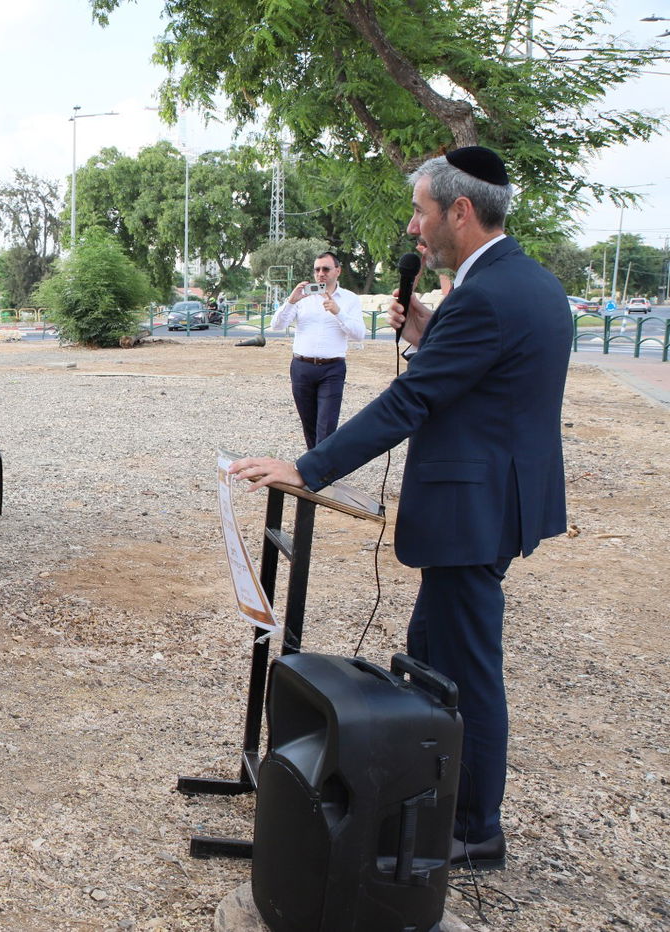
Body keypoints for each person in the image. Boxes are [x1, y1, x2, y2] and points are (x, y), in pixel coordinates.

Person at [230, 146, 572, 870]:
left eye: (421, 211)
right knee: (435, 654)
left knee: (467, 671)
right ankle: (429, 802)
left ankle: (474, 828)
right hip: (496, 502)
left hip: (473, 510)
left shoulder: (483, 295)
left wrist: (310, 466)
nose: (414, 228)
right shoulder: (528, 282)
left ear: (460, 211)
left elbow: (416, 399)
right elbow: (486, 383)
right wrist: (428, 332)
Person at [272, 251, 366, 449]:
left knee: (326, 425)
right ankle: (312, 469)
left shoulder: (349, 299)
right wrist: (291, 301)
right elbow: (277, 326)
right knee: (309, 424)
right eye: (317, 269)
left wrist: (338, 311)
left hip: (332, 369)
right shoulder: (302, 298)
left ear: (337, 271)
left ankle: (320, 473)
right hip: (301, 367)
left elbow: (359, 334)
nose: (321, 273)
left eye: (326, 269)